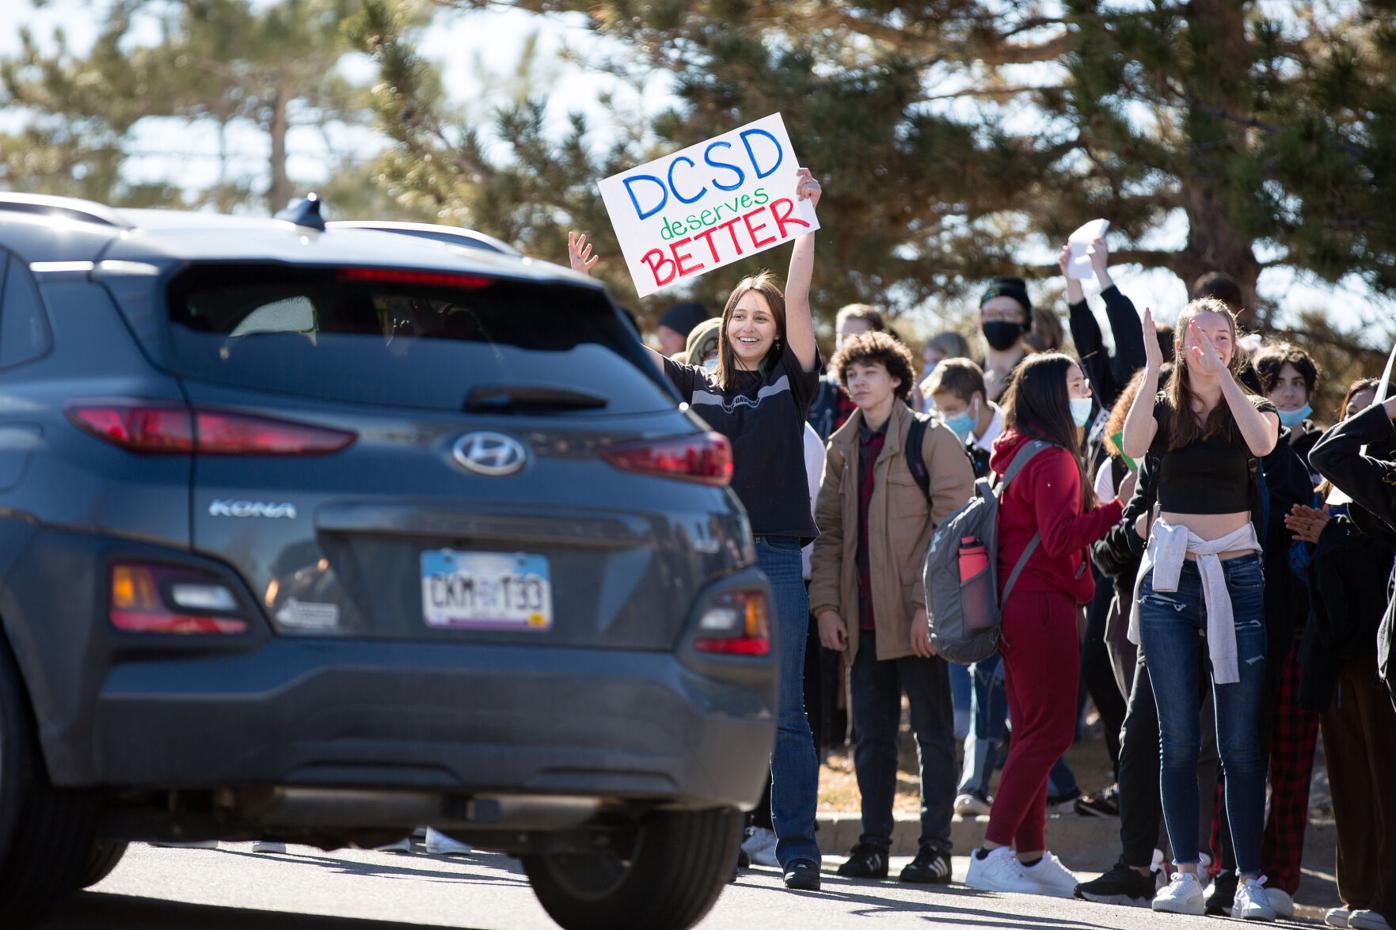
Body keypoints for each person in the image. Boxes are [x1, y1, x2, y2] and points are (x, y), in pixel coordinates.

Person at [568, 168, 826, 892]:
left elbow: (801, 293)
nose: (749, 325)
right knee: (706, 699)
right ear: (726, 325)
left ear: (777, 333)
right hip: (706, 560)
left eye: (762, 319)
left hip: (773, 560)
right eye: (740, 315)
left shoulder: (793, 384)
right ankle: (718, 837)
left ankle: (799, 849)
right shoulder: (696, 383)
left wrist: (803, 217)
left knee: (784, 712)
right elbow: (619, 346)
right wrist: (584, 287)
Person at [1119, 298, 1281, 920]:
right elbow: (1133, 446)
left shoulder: (1251, 405)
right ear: (1182, 342)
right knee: (1177, 737)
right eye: (1200, 336)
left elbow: (1263, 446)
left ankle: (1248, 879)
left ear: (1235, 345)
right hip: (1168, 576)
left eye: (1223, 337)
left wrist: (1226, 378)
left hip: (1236, 573)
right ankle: (1184, 870)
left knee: (1238, 741)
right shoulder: (1162, 405)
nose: (1212, 345)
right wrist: (1154, 367)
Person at [810, 331, 973, 885]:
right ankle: (872, 844)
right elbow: (829, 535)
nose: (858, 381)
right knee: (870, 739)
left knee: (932, 735)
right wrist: (827, 606)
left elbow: (952, 532)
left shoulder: (933, 439)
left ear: (897, 378)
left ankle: (936, 848)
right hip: (861, 623)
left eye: (870, 371)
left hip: (918, 620)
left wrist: (925, 608)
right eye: (851, 373)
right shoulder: (840, 447)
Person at [964, 353, 1128, 898]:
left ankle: (1030, 855)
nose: (1085, 394)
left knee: (1032, 731)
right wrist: (1117, 509)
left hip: (1015, 604)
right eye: (1077, 385)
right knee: (1050, 732)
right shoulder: (1054, 457)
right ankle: (992, 850)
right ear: (1054, 398)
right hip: (1042, 605)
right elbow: (1061, 539)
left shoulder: (1013, 454)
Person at [1288, 378, 1396, 930]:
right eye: (1355, 413)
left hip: (1379, 643)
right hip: (1339, 643)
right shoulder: (1339, 482)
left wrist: (1337, 532)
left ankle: (1385, 897)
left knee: (1386, 776)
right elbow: (1329, 453)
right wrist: (1325, 532)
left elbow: (1376, 546)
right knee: (1352, 777)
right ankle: (1357, 893)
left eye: (1373, 414)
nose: (1362, 424)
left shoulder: (1388, 473)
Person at [809, 304, 887, 440]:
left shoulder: (892, 395)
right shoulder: (815, 391)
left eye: (856, 338)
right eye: (843, 338)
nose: (847, 345)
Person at [978, 277, 1034, 404]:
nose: (999, 320)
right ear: (980, 320)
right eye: (991, 314)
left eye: (1009, 314)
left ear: (1026, 321)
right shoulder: (967, 376)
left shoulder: (1039, 374)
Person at [920, 330, 973, 413]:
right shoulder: (926, 395)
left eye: (936, 361)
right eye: (926, 362)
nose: (929, 368)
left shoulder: (972, 393)